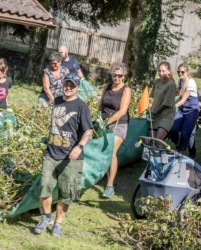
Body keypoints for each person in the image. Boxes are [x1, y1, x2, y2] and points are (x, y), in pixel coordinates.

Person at [34, 74, 93, 237]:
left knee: (66, 193)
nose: (68, 87)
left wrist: (79, 146)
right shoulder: (58, 100)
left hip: (71, 158)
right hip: (51, 154)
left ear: (78, 88)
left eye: (72, 85)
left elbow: (89, 130)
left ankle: (58, 224)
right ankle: (46, 217)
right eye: (66, 84)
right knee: (44, 186)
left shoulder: (81, 106)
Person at [98, 63, 132, 198]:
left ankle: (110, 185)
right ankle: (106, 177)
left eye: (119, 75)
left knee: (111, 152)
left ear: (124, 76)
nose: (116, 78)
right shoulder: (106, 87)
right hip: (104, 123)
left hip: (119, 124)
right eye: (114, 75)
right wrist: (99, 117)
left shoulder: (126, 90)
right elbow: (101, 104)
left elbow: (122, 111)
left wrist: (107, 122)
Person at [170, 63, 199, 154]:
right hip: (182, 109)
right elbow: (178, 95)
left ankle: (180, 152)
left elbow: (183, 100)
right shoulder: (180, 81)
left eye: (182, 72)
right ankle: (178, 145)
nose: (180, 73)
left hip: (192, 110)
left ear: (187, 72)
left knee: (186, 132)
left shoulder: (191, 82)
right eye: (178, 72)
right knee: (173, 128)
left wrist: (172, 107)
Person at [148, 61, 177, 145]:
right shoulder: (156, 82)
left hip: (166, 116)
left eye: (163, 71)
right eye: (159, 71)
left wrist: (153, 113)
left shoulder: (171, 85)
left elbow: (165, 104)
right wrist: (149, 108)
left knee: (158, 142)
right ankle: (153, 158)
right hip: (155, 115)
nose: (161, 73)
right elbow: (151, 98)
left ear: (169, 71)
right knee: (151, 142)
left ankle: (162, 157)